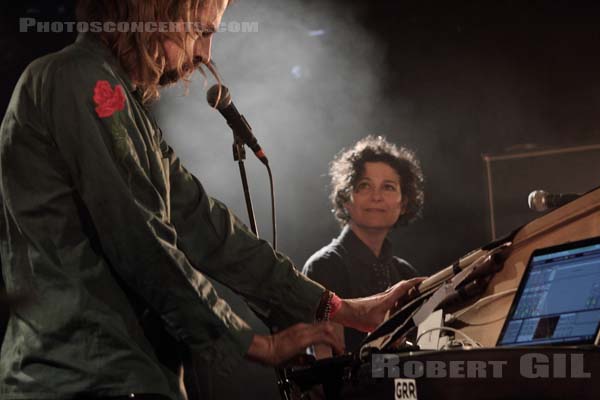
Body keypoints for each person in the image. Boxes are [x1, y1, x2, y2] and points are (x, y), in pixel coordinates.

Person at [0, 1, 422, 399]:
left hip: (119, 377)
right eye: (201, 31)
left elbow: (210, 229)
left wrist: (341, 309)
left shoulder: (124, 108)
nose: (205, 52)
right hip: (80, 380)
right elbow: (141, 239)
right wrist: (252, 342)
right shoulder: (79, 79)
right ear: (158, 9)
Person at [303, 135, 425, 356]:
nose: (376, 196)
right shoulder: (325, 266)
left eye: (388, 187)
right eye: (364, 186)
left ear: (404, 203)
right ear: (346, 199)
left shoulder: (405, 272)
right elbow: (324, 370)